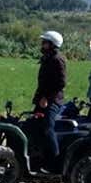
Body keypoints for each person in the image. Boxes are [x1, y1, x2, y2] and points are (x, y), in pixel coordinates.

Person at [32, 31, 66, 170]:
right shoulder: (47, 58)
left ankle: (55, 163)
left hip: (52, 101)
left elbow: (61, 83)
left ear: (52, 44)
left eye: (45, 42)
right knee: (34, 126)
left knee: (47, 128)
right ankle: (38, 160)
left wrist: (47, 98)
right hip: (42, 99)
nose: (42, 44)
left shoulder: (57, 59)